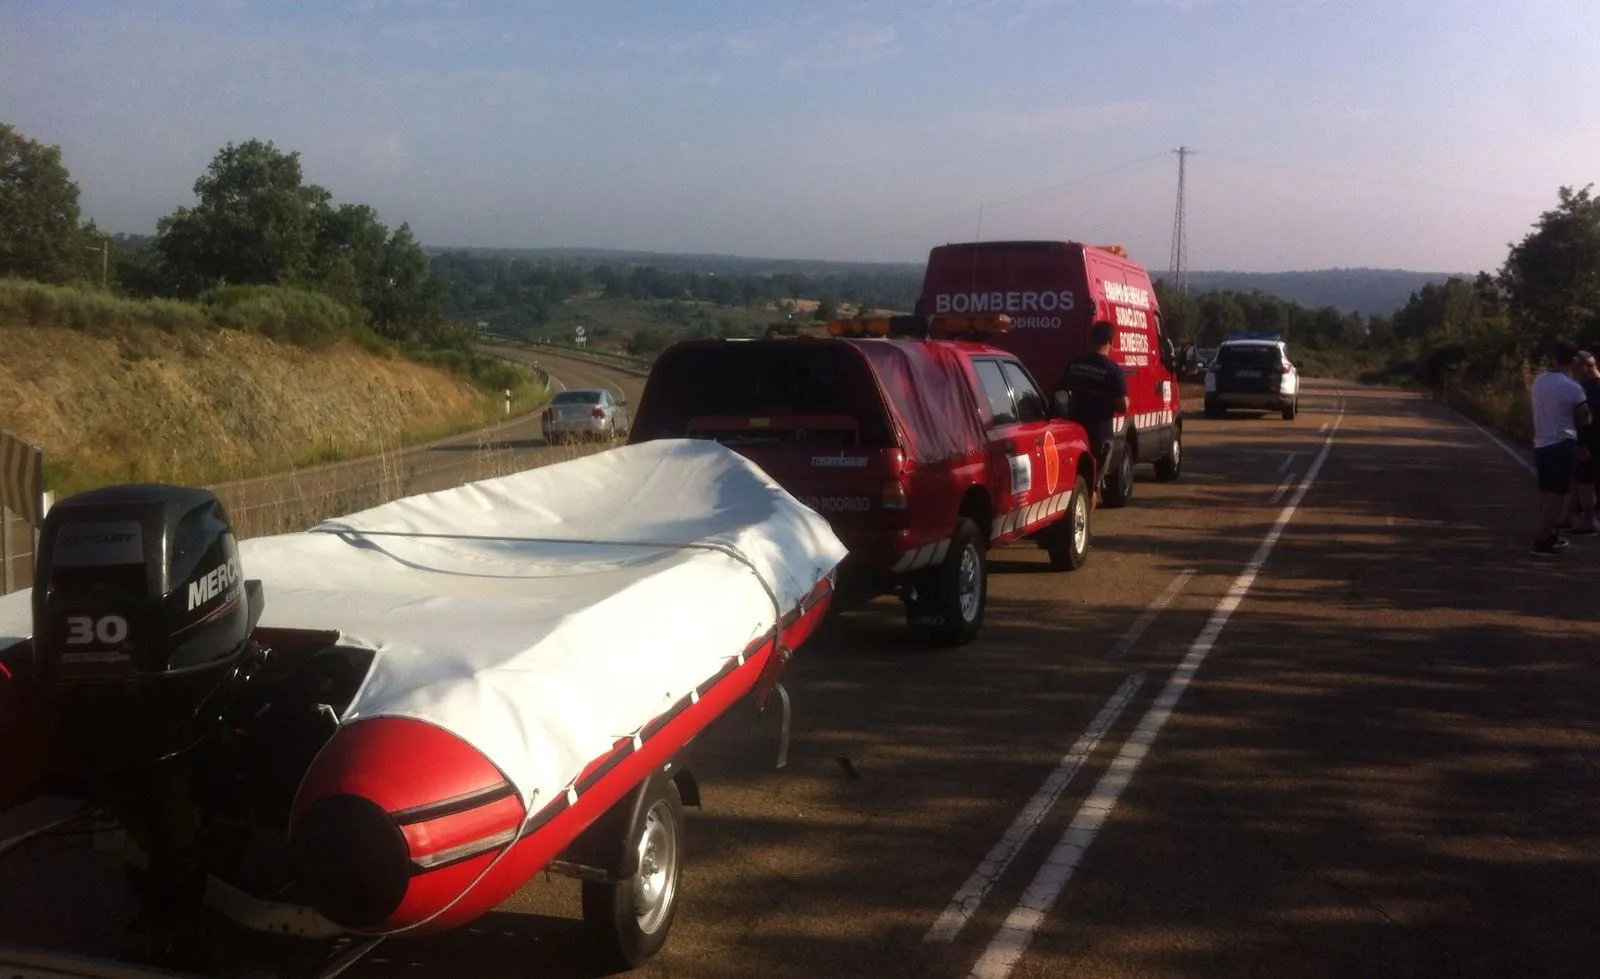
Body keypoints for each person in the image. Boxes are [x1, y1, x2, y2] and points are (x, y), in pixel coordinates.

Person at [1529, 340, 1592, 557]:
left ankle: (1550, 532)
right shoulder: (1573, 388)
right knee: (1558, 494)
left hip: (1541, 442)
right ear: (1573, 361)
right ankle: (1543, 540)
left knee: (1546, 493)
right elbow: (1585, 418)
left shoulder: (1539, 381)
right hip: (1562, 443)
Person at [1058, 321, 1130, 505]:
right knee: (1092, 486)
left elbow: (1062, 392)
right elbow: (1123, 404)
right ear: (1111, 341)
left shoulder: (1074, 364)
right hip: (1099, 436)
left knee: (1075, 482)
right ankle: (1085, 521)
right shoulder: (1113, 370)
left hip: (1073, 433)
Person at [1569, 350, 1600, 534]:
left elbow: (1585, 420)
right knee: (1582, 481)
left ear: (1583, 367)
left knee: (1585, 482)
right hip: (1592, 441)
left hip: (1589, 443)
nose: (1573, 372)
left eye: (1575, 368)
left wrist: (1581, 444)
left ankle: (1589, 522)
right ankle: (1570, 517)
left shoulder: (1588, 389)